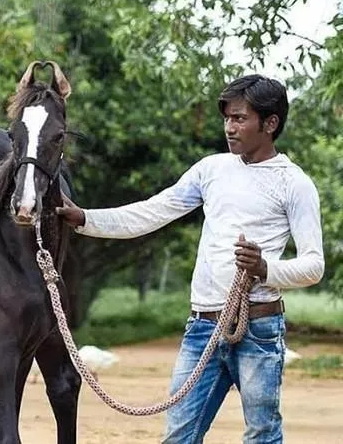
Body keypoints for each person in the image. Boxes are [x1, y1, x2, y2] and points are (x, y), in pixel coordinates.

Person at [56, 74, 324, 443]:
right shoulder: (210, 169)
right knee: (179, 436)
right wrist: (86, 219)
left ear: (271, 123)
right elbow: (154, 212)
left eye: (240, 118)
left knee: (262, 434)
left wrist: (266, 269)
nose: (229, 128)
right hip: (202, 327)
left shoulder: (294, 183)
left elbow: (313, 265)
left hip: (259, 328)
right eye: (227, 118)